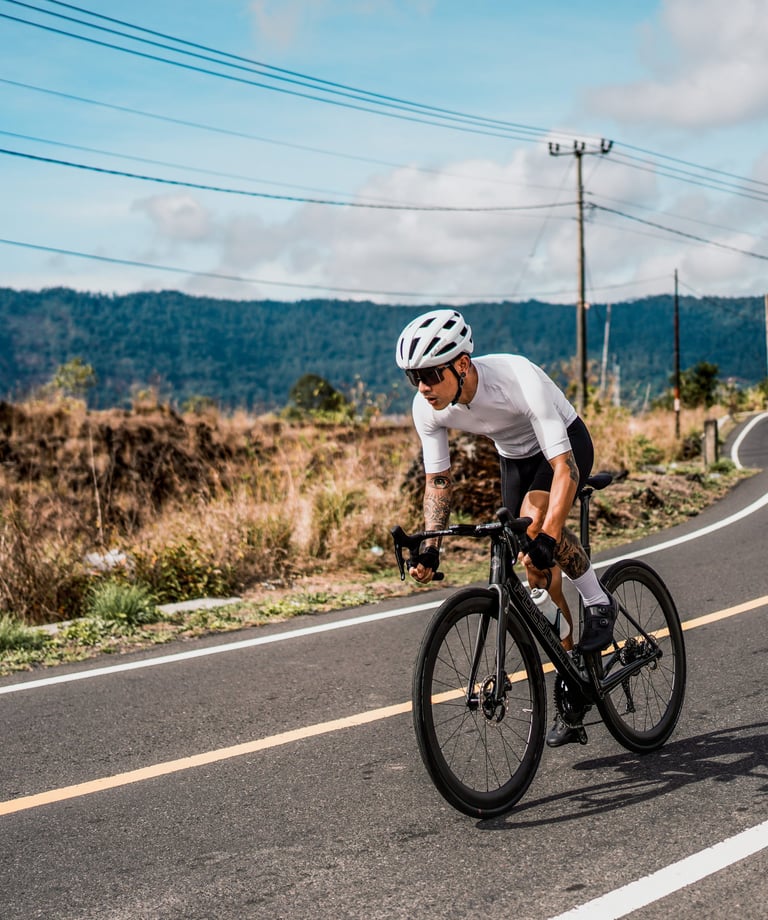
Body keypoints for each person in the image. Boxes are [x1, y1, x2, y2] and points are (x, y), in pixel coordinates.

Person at [396, 308, 616, 747]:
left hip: (564, 447)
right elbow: (438, 482)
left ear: (461, 365)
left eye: (430, 375)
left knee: (536, 534)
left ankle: (597, 599)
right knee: (534, 569)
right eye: (412, 377)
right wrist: (430, 547)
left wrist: (549, 536)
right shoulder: (429, 407)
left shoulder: (518, 378)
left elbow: (564, 469)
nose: (422, 387)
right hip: (514, 456)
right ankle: (572, 675)